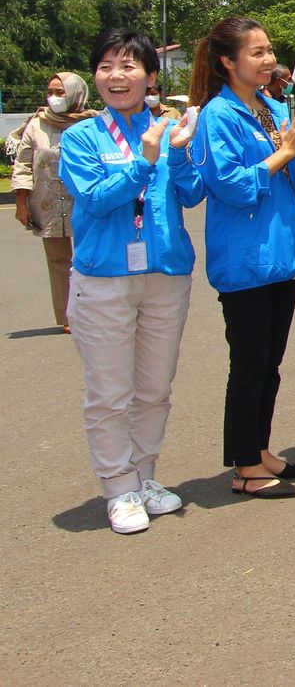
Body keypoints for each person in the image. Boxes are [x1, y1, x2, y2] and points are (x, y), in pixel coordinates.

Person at [57, 30, 204, 534]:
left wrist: (179, 152)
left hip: (164, 274)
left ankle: (145, 477)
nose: (116, 76)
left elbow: (190, 195)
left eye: (127, 67)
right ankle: (118, 487)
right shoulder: (80, 138)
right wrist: (143, 160)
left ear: (150, 77)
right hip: (104, 280)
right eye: (105, 67)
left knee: (154, 389)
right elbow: (95, 199)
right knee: (109, 392)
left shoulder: (168, 129)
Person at [191, 16, 295, 499]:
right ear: (228, 62)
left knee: (270, 362)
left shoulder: (268, 107)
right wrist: (285, 154)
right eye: (257, 53)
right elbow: (231, 187)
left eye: (269, 51)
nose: (268, 61)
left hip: (280, 254)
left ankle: (260, 449)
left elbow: (282, 172)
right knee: (249, 364)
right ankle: (245, 466)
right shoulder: (217, 116)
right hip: (246, 260)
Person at [10, 72, 95, 332]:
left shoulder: (93, 123)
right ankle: (68, 316)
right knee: (58, 261)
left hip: (85, 201)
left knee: (89, 258)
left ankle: (93, 312)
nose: (54, 98)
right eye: (51, 92)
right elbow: (23, 164)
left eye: (61, 92)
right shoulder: (37, 124)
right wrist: (21, 203)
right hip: (48, 201)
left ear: (76, 94)